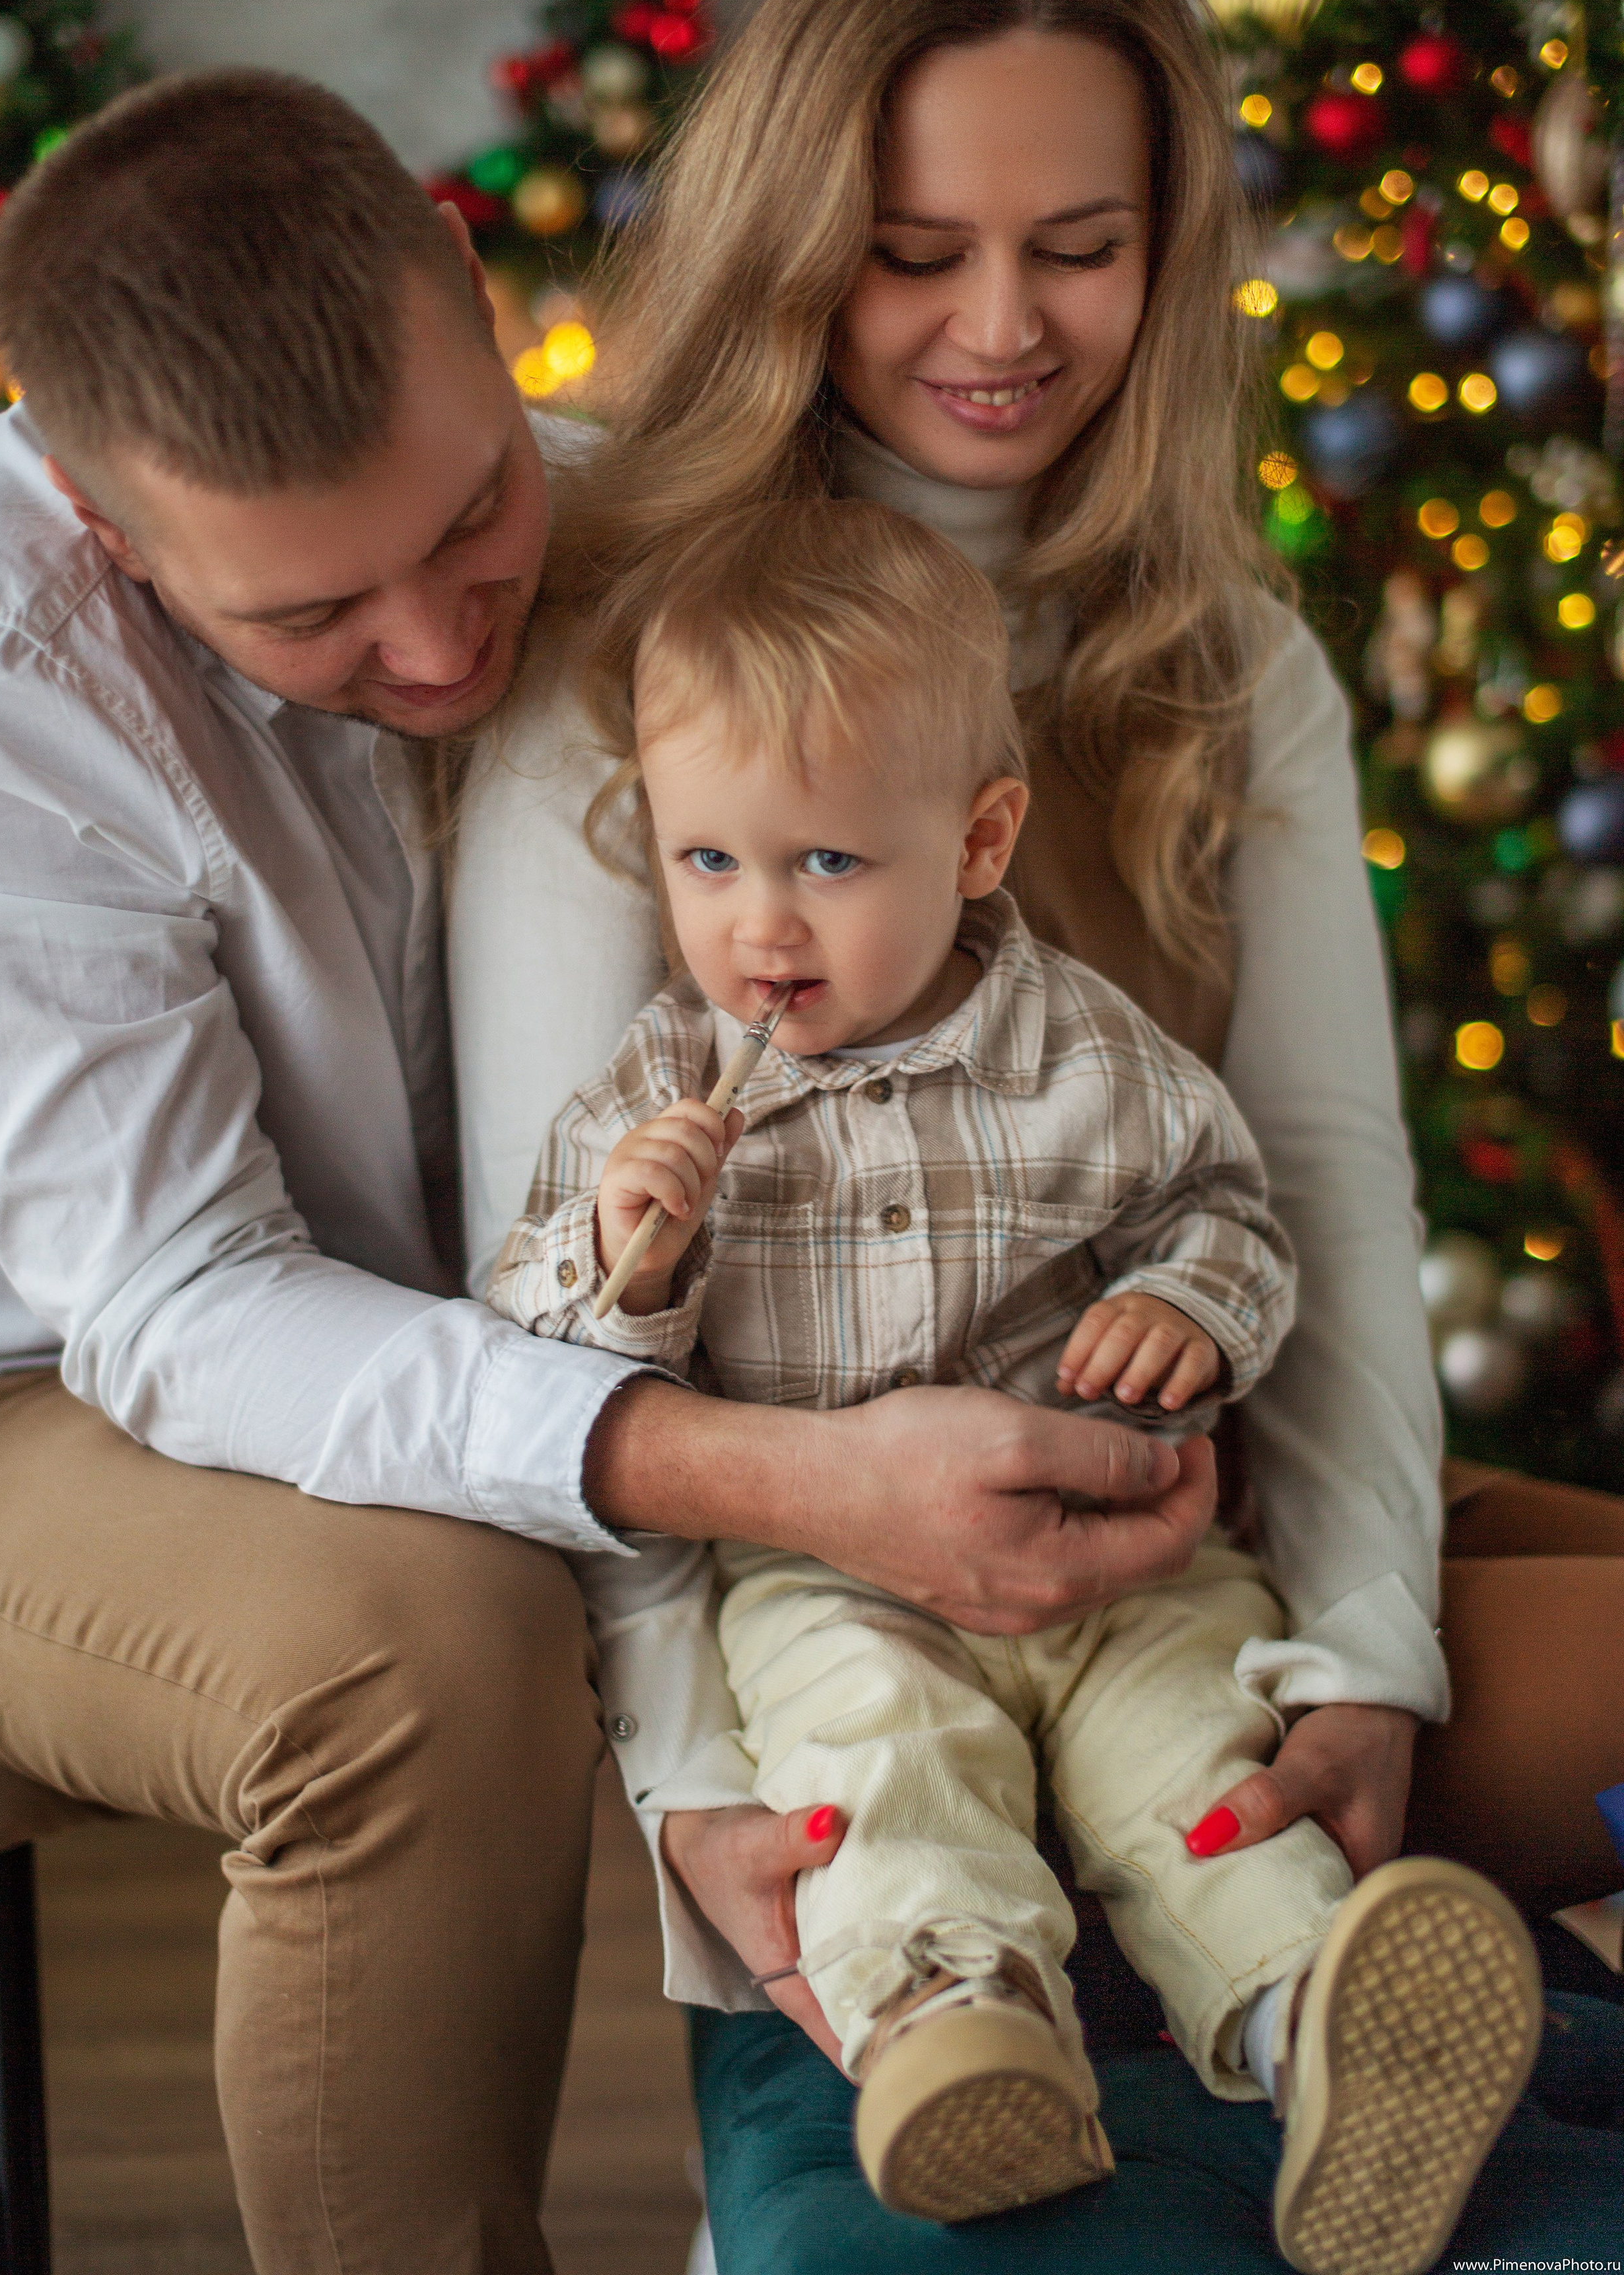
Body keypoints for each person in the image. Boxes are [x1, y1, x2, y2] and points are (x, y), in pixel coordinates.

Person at [0, 67, 1215, 2275]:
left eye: (469, 522)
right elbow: (180, 1307)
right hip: (26, 1382)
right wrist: (790, 1481)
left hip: (549, 1303)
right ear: (104, 528)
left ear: (468, 282)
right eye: (311, 621)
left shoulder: (644, 519)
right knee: (422, 1647)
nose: (444, 648)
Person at [448, 0, 1624, 2015]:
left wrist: (1367, 1650)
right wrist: (692, 1779)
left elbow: (1321, 1178)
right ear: (800, 247)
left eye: (1079, 247)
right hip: (849, 1658)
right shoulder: (621, 665)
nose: (1002, 327)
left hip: (1181, 1562)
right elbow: (547, 1305)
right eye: (916, 253)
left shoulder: (1230, 657)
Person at [487, 498, 1543, 2274]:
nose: (760, 925)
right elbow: (531, 1354)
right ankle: (957, 2036)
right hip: (829, 1580)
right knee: (874, 1770)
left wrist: (1188, 1310)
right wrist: (627, 1258)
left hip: (1128, 1562)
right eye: (709, 861)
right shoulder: (651, 1092)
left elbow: (1234, 1216)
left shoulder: (1091, 1056)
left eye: (828, 863)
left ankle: (1322, 2028)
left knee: (1194, 1757)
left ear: (979, 842)